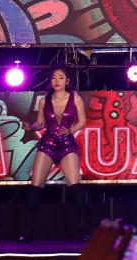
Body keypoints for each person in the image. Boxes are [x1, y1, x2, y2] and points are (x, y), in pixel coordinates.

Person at [20, 62, 87, 242]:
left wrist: (70, 130)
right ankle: (28, 229)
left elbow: (82, 121)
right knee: (35, 186)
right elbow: (40, 123)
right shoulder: (44, 100)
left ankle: (82, 229)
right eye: (54, 78)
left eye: (61, 78)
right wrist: (31, 127)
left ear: (67, 81)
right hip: (48, 143)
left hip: (66, 144)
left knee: (75, 186)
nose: (57, 81)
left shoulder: (76, 99)